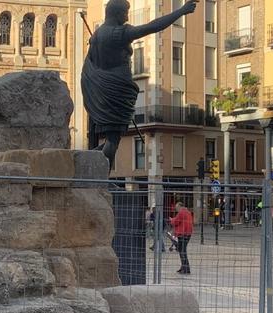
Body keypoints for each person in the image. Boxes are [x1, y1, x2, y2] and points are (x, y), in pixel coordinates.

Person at [81, 0, 198, 168]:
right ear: (117, 14)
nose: (127, 17)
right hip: (117, 91)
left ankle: (91, 167)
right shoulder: (119, 32)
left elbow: (88, 68)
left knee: (111, 139)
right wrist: (181, 11)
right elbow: (153, 26)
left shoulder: (96, 36)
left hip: (101, 92)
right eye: (125, 13)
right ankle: (99, 177)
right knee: (113, 140)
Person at [169, 201, 194, 274]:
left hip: (182, 234)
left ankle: (185, 269)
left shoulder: (181, 212)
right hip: (188, 233)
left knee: (182, 251)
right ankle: (184, 267)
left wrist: (171, 220)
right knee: (182, 250)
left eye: (176, 208)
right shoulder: (187, 212)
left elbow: (176, 221)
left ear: (180, 206)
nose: (176, 209)